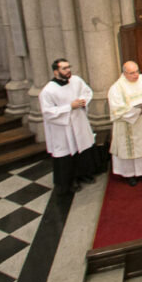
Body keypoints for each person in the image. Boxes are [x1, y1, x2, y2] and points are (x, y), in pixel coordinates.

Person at [39, 58, 105, 195]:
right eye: (64, 68)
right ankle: (70, 180)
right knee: (68, 153)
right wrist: (69, 107)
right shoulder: (48, 91)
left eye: (69, 67)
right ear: (56, 71)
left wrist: (82, 101)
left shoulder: (76, 80)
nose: (68, 70)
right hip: (63, 128)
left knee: (83, 148)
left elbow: (87, 92)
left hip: (79, 122)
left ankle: (85, 174)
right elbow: (47, 112)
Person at [107, 61, 142, 185]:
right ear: (124, 73)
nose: (136, 75)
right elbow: (117, 110)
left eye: (137, 71)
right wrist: (136, 111)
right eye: (132, 73)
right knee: (130, 149)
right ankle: (130, 174)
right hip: (128, 124)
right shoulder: (116, 88)